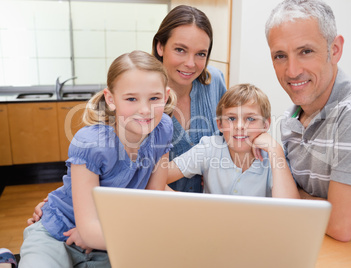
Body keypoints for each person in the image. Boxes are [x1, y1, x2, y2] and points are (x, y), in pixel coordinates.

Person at [19, 50, 174, 267]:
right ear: (111, 99)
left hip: (107, 237)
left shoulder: (163, 128)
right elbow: (90, 229)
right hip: (55, 232)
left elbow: (153, 199)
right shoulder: (92, 143)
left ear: (166, 96)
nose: (145, 110)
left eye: (154, 98)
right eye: (131, 98)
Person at [265, 0, 351, 243]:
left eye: (305, 51)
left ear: (335, 49)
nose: (292, 70)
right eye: (280, 56)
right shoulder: (290, 119)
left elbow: (340, 226)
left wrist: (295, 198)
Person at [168, 83, 299, 199]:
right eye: (231, 118)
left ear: (265, 125)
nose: (240, 126)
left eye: (251, 119)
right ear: (219, 124)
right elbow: (157, 178)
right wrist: (189, 207)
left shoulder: (272, 159)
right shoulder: (209, 148)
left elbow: (291, 208)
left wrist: (275, 150)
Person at [152, 5, 227, 193]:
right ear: (160, 46)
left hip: (209, 208)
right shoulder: (141, 94)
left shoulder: (215, 81)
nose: (190, 63)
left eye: (201, 54)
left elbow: (228, 140)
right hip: (160, 208)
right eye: (180, 50)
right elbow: (133, 169)